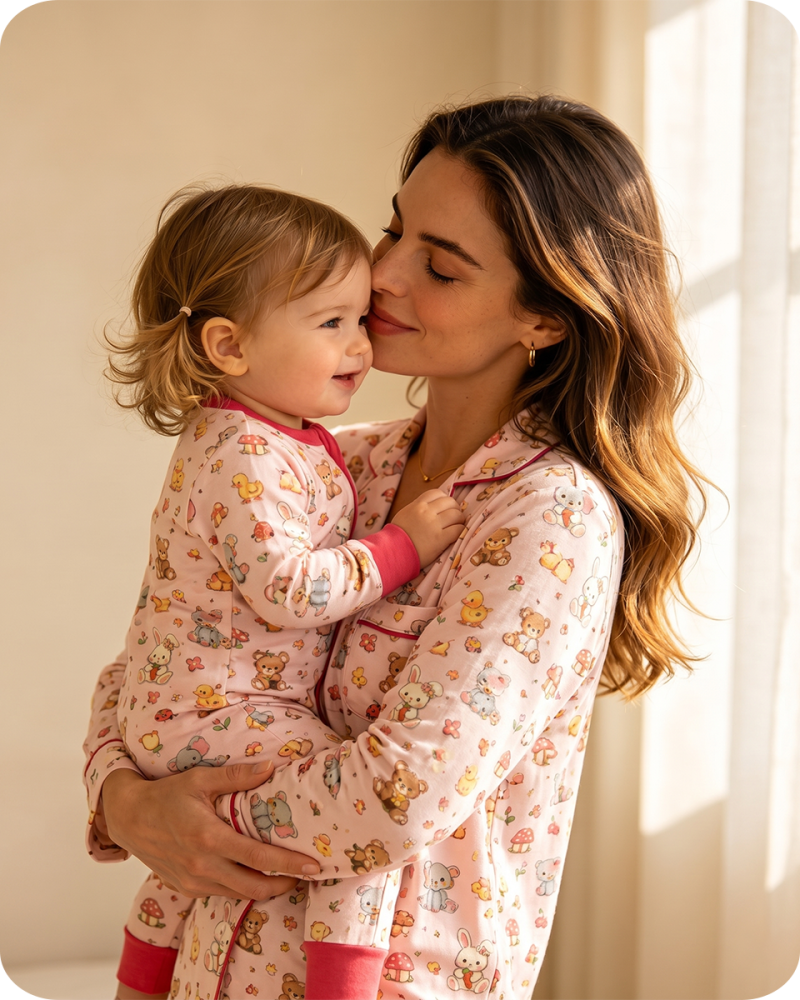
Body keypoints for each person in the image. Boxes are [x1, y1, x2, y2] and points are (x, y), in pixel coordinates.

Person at [84, 95, 709, 1000]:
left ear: (545, 318)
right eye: (394, 230)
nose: (381, 276)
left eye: (441, 268)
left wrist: (192, 816)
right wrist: (126, 803)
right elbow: (164, 659)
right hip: (208, 965)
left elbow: (398, 794)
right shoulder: (338, 463)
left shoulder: (550, 517)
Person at [99, 185, 465, 999]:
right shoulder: (244, 454)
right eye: (331, 323)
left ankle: (140, 979)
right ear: (228, 345)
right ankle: (343, 985)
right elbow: (293, 590)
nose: (361, 345)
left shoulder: (276, 438)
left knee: (191, 871)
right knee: (357, 833)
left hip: (186, 707)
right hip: (216, 711)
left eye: (358, 318)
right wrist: (399, 546)